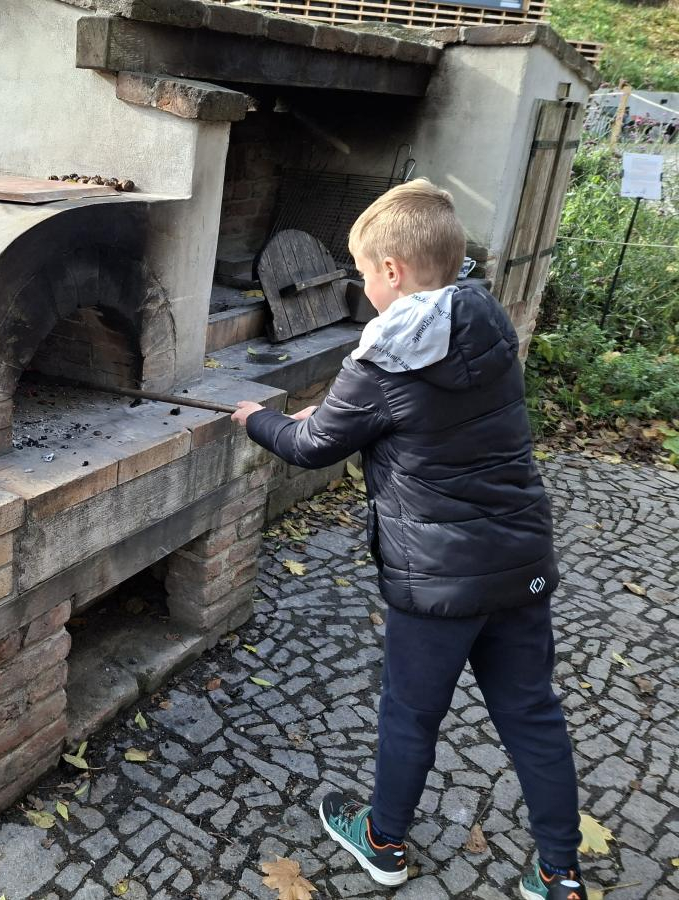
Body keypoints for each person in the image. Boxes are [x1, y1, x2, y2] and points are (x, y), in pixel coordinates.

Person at [231, 179, 586, 900]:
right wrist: (331, 412)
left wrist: (254, 418)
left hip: (438, 579)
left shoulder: (381, 360)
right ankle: (560, 872)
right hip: (519, 561)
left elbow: (310, 447)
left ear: (391, 270)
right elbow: (413, 417)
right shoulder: (487, 318)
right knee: (532, 713)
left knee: (410, 715)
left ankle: (384, 842)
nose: (364, 288)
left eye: (364, 273)